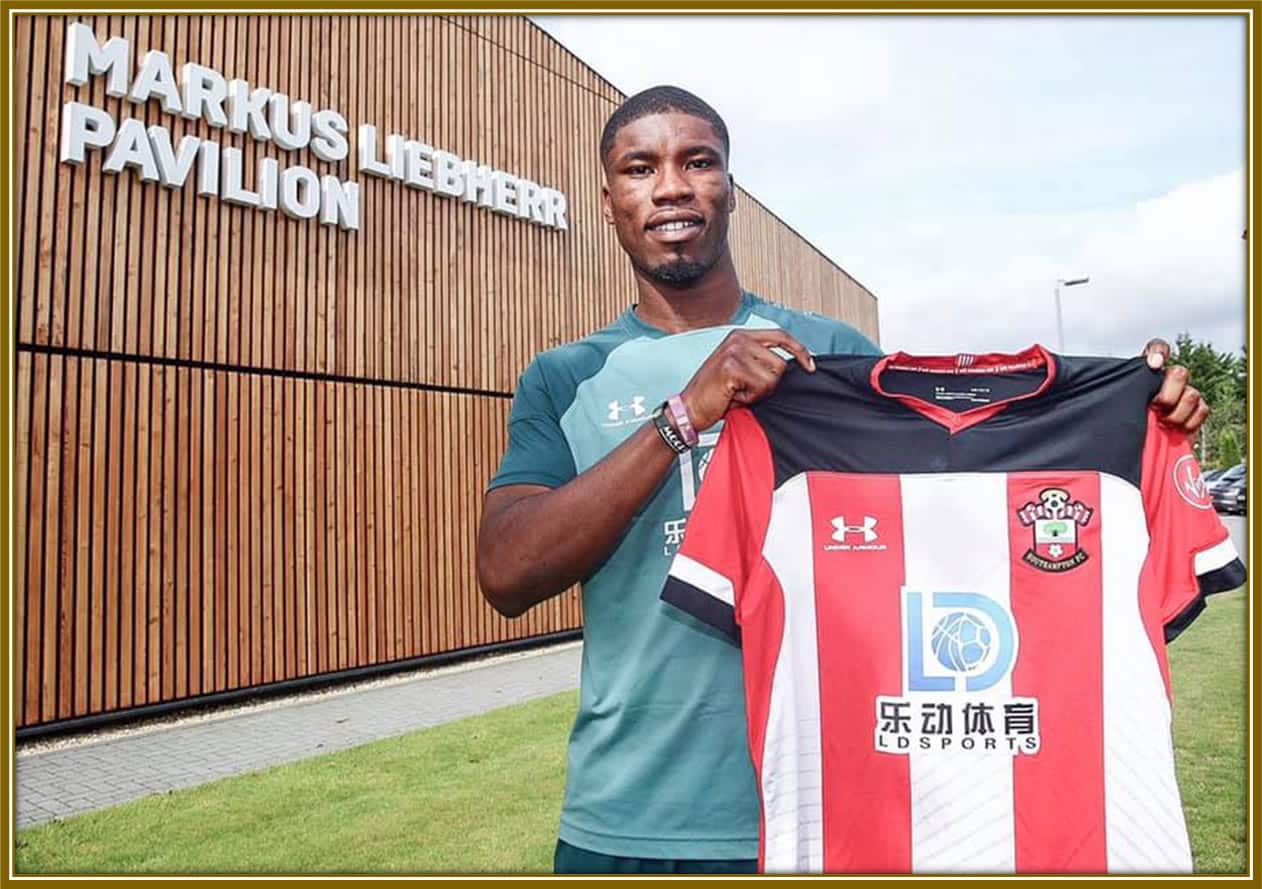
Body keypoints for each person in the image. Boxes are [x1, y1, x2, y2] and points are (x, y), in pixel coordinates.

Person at [475, 85, 1209, 875]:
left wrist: (1133, 415)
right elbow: (508, 571)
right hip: (629, 819)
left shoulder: (830, 355)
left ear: (731, 189)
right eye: (639, 167)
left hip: (831, 816)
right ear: (610, 198)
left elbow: (963, 487)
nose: (672, 186)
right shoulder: (566, 376)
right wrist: (684, 414)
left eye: (699, 162)